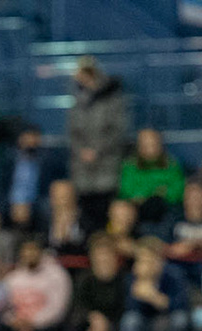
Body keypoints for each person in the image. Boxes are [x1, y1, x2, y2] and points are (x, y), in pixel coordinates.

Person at [67, 56, 129, 232]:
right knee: (85, 216)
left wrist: (97, 150)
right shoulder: (78, 100)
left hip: (106, 167)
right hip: (83, 170)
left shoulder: (113, 99)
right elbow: (72, 132)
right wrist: (82, 151)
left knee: (106, 212)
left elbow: (118, 131)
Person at [2, 236, 71, 331]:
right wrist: (14, 320)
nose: (29, 254)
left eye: (33, 249)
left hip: (46, 325)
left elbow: (57, 308)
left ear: (41, 251)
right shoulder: (12, 278)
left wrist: (33, 322)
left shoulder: (56, 275)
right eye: (26, 250)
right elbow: (5, 307)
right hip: (18, 325)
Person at [121, 236, 186, 331]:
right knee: (130, 321)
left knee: (180, 320)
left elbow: (181, 304)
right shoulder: (133, 277)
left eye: (149, 260)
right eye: (141, 260)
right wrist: (141, 282)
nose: (145, 265)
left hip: (167, 317)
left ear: (160, 261)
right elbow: (130, 308)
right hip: (144, 318)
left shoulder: (174, 274)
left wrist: (154, 297)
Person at [71, 235, 128, 331]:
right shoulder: (84, 279)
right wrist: (93, 317)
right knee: (73, 326)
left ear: (115, 258)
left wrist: (107, 325)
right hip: (90, 323)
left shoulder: (124, 280)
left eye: (107, 256)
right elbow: (78, 305)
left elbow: (126, 307)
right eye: (99, 257)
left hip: (116, 324)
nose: (103, 261)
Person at [120, 127, 185, 223]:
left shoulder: (172, 166)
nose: (150, 149)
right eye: (145, 145)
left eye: (153, 144)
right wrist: (157, 192)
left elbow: (177, 191)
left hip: (167, 210)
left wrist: (155, 196)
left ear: (160, 145)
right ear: (138, 146)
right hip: (138, 211)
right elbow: (127, 191)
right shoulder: (129, 167)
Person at [2, 123, 60, 230]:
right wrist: (15, 203)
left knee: (48, 209)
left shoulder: (47, 159)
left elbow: (50, 185)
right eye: (27, 136)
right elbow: (0, 185)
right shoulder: (9, 159)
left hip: (38, 201)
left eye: (34, 137)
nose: (30, 141)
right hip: (11, 201)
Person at [43, 179, 86, 258]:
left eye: (66, 197)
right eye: (58, 198)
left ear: (75, 199)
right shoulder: (41, 225)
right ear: (51, 200)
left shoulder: (87, 225)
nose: (63, 203)